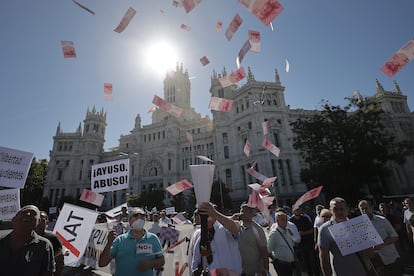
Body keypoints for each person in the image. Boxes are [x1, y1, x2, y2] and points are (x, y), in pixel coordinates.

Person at [98, 207, 165, 276]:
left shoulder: (153, 238)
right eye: (136, 215)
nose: (139, 218)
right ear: (130, 220)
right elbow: (102, 263)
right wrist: (109, 243)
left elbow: (161, 261)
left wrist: (150, 263)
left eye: (142, 215)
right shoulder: (120, 240)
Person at [318, 197, 373, 276]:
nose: (339, 212)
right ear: (330, 210)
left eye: (341, 209)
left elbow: (370, 253)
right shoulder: (325, 229)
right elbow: (323, 257)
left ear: (347, 209)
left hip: (363, 271)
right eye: (335, 209)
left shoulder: (358, 225)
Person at [0, 205, 55, 276]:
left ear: (38, 222)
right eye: (24, 212)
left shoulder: (44, 246)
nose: (28, 214)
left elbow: (48, 273)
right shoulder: (1, 242)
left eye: (33, 213)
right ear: (13, 219)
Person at [191, 202, 242, 275]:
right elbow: (196, 259)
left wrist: (215, 214)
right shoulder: (199, 234)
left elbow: (235, 229)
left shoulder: (224, 228)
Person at [358, 200, 402, 275]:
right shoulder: (358, 226)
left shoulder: (382, 220)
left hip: (390, 258)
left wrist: (381, 244)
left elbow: (395, 237)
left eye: (366, 208)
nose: (365, 211)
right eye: (362, 209)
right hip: (375, 263)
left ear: (371, 208)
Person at [237, 204, 270, 275]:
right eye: (241, 211)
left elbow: (264, 250)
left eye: (246, 211)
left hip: (255, 271)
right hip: (241, 270)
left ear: (252, 214)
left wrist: (266, 270)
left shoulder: (257, 229)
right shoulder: (237, 227)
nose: (242, 213)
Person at [290, 206, 320, 276]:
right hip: (298, 245)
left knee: (311, 262)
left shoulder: (305, 218)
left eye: (298, 210)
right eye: (295, 210)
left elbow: (312, 230)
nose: (297, 211)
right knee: (301, 263)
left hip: (308, 244)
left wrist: (303, 233)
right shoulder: (291, 221)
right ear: (293, 211)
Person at [267, 210, 296, 276]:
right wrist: (276, 259)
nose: (285, 221)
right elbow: (268, 250)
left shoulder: (288, 231)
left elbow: (293, 244)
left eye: (286, 219)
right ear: (277, 221)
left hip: (290, 264)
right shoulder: (274, 233)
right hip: (281, 264)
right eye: (282, 219)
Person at [36, 211, 64, 276]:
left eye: (42, 220)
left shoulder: (53, 238)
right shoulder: (27, 236)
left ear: (47, 222)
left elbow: (59, 261)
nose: (39, 222)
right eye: (37, 219)